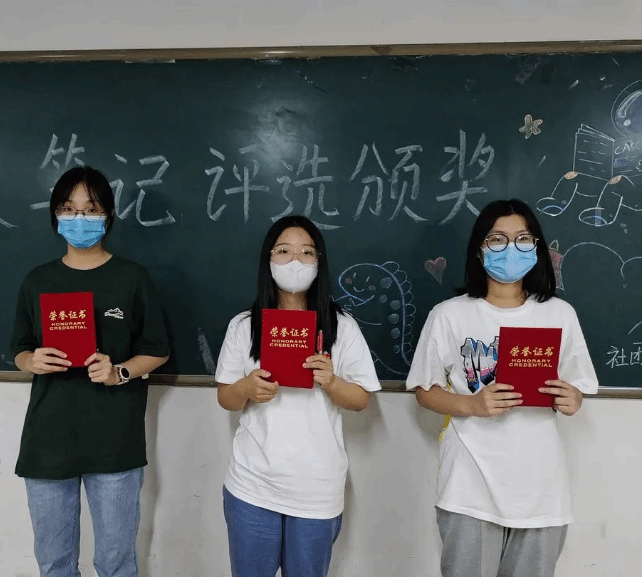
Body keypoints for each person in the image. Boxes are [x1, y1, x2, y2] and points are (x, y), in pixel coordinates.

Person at [406, 198, 599, 577]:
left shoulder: (559, 314)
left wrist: (572, 398)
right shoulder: (450, 314)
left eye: (523, 238)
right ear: (479, 250)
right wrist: (473, 405)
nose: (511, 248)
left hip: (541, 491)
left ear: (537, 248)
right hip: (468, 488)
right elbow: (425, 390)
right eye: (497, 239)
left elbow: (577, 387)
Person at [9, 166, 170, 577]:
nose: (79, 218)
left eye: (91, 209)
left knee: (115, 563)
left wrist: (120, 373)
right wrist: (31, 361)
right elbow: (19, 349)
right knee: (54, 563)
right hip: (48, 440)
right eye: (69, 208)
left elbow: (157, 351)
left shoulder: (132, 278)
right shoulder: (37, 280)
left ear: (108, 216)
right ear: (55, 214)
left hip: (115, 440)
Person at [214, 214, 381, 577]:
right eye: (284, 251)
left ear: (319, 262)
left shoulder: (341, 326)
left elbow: (361, 399)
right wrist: (246, 388)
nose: (295, 261)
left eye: (306, 252)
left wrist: (331, 381)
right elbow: (226, 397)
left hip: (316, 488)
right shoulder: (244, 325)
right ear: (268, 259)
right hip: (252, 484)